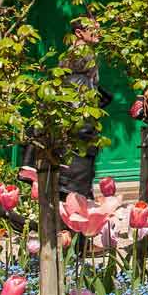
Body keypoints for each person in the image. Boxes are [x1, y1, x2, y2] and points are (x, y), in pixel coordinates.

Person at [59, 17, 112, 200]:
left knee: (83, 175)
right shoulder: (79, 55)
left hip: (83, 124)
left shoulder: (83, 54)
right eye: (92, 28)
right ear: (79, 33)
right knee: (78, 179)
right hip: (80, 126)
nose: (98, 32)